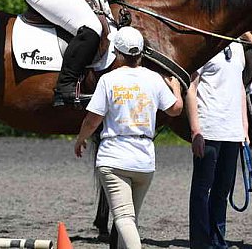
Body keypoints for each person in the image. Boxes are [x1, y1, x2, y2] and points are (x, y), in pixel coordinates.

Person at [186, 0, 252, 249]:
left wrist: (244, 126)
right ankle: (200, 242)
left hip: (232, 127)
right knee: (204, 186)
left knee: (223, 188)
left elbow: (240, 18)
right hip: (209, 124)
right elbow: (222, 17)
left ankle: (217, 239)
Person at [74, 26, 183, 249]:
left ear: (117, 52)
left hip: (114, 159)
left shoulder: (109, 80)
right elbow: (175, 109)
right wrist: (176, 89)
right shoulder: (154, 79)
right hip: (144, 161)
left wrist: (80, 139)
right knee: (130, 220)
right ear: (141, 52)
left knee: (124, 218)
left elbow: (92, 120)